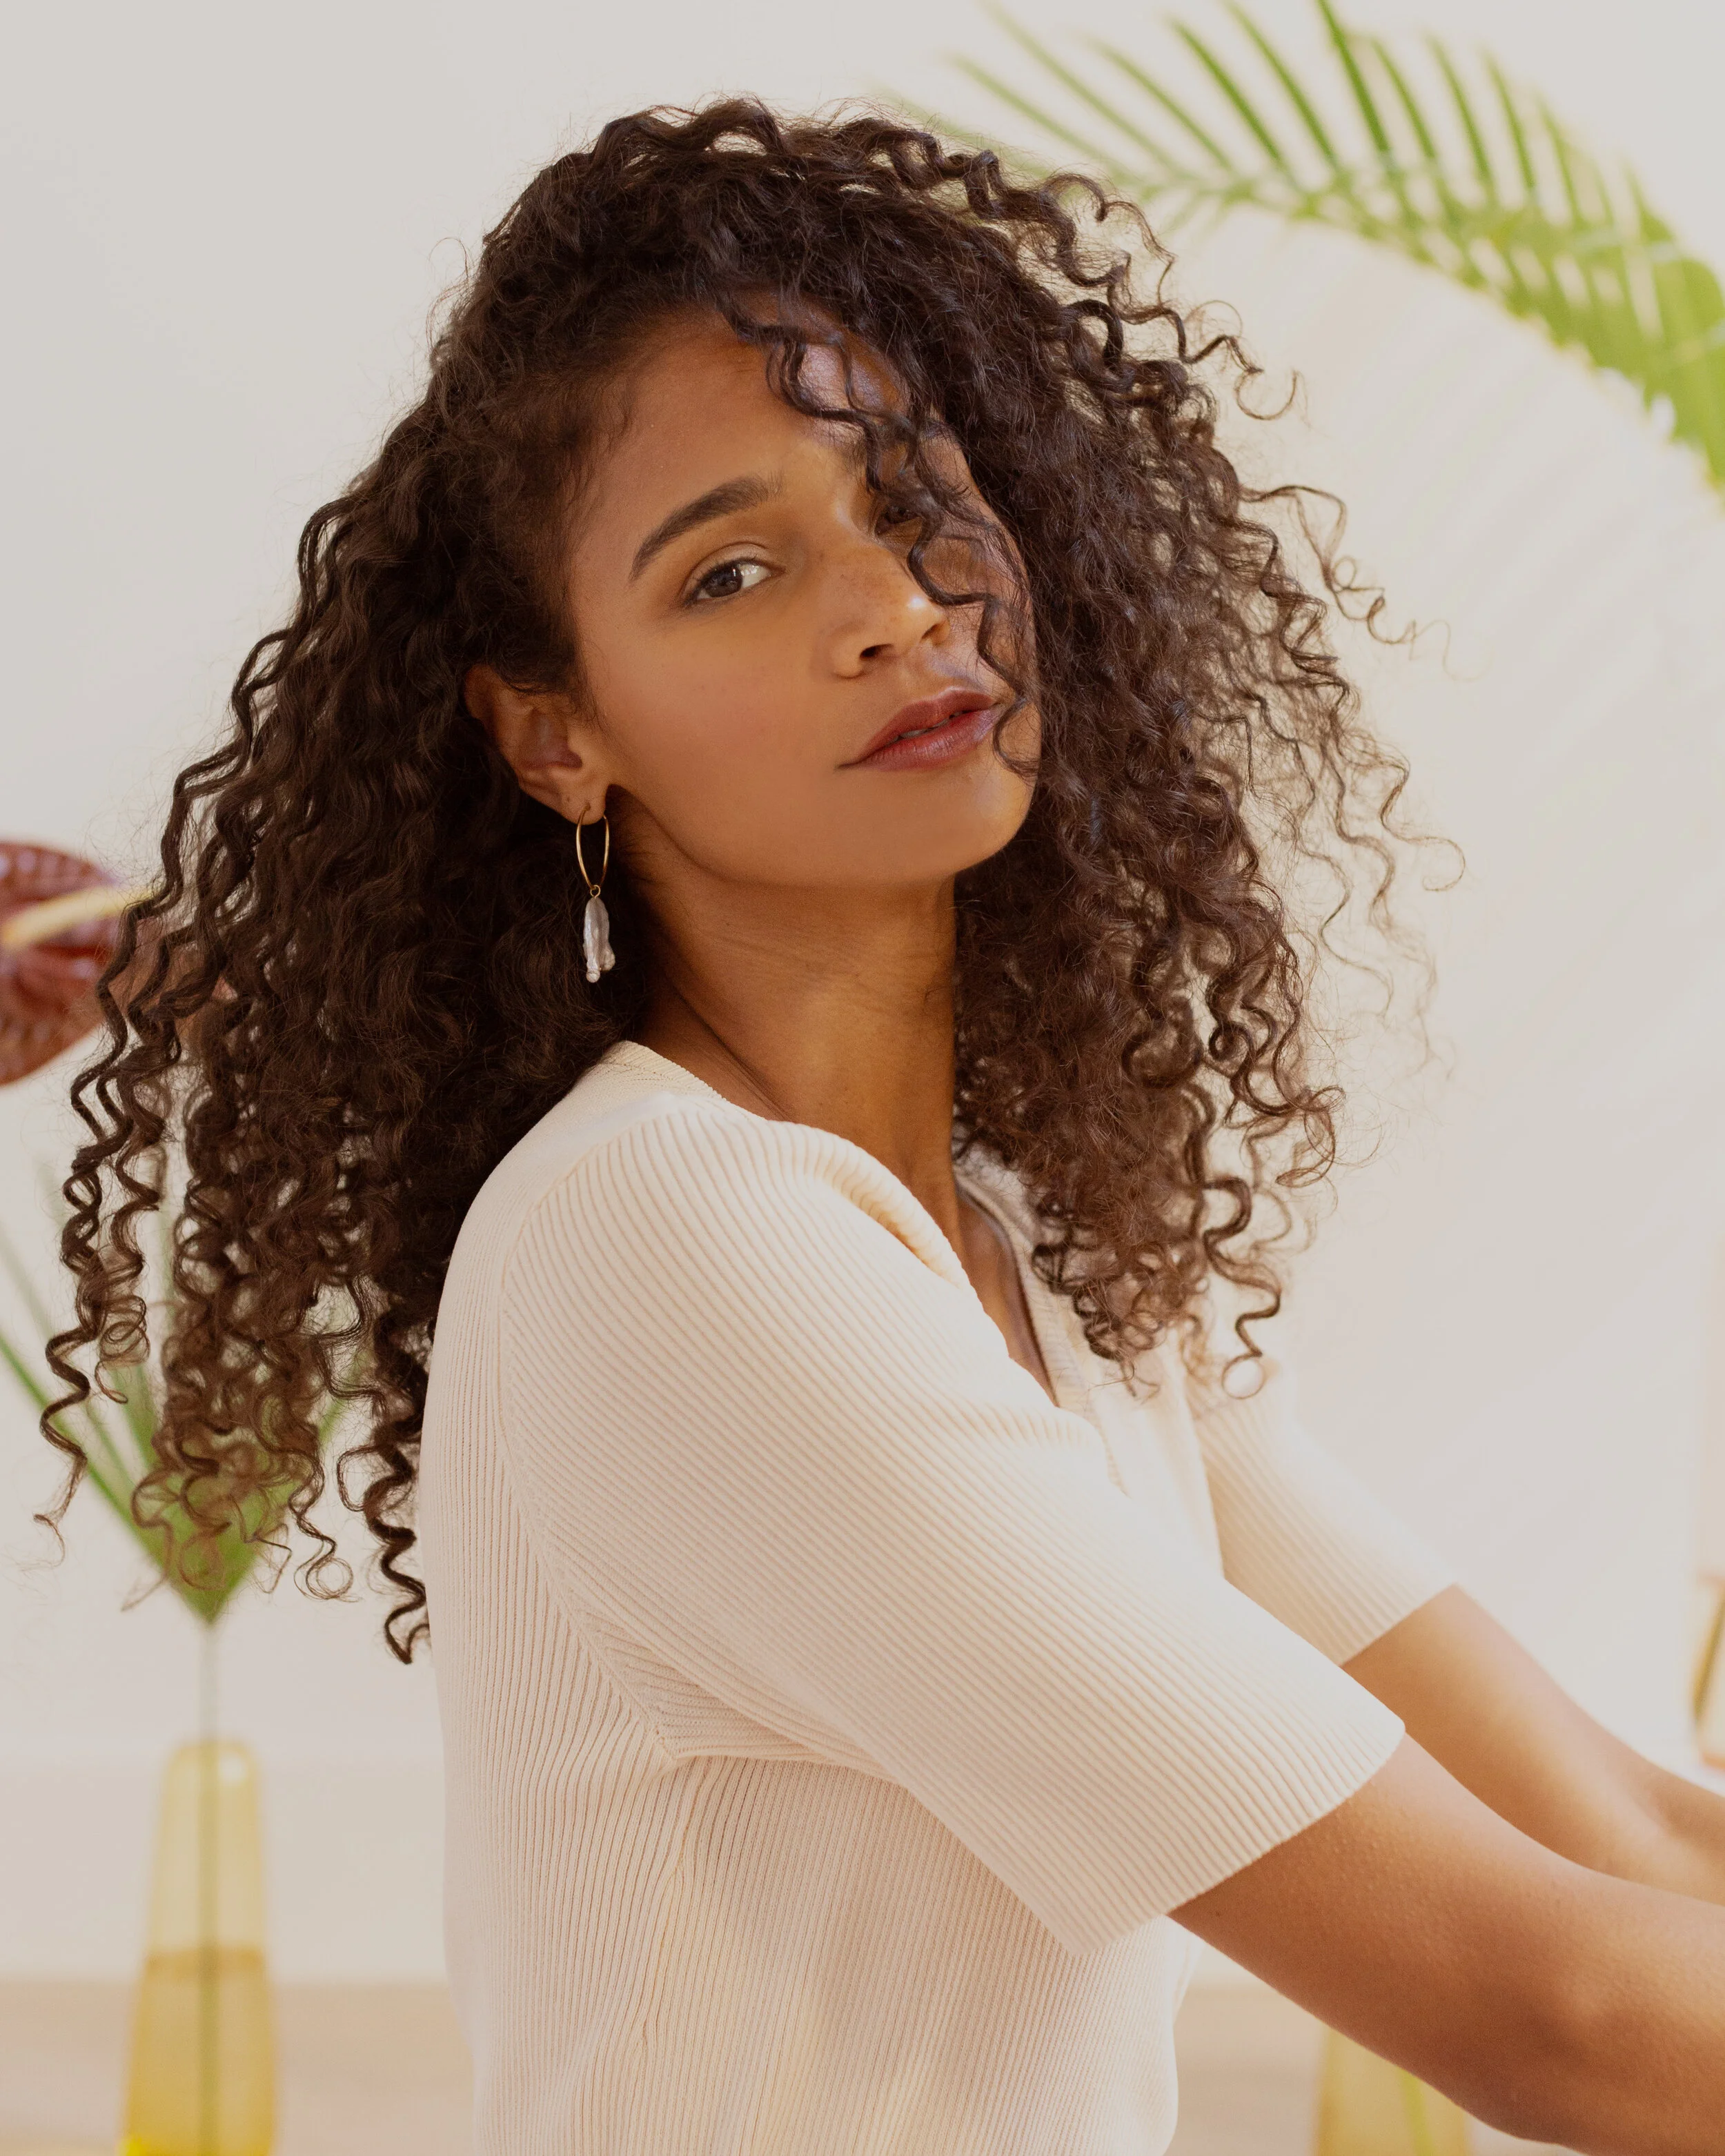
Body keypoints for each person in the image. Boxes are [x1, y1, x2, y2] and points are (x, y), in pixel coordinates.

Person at [39, 101, 1725, 2155]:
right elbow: (1554, 2009)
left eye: (917, 498)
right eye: (732, 569)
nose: (893, 605)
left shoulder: (1043, 1260)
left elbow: (1631, 1838)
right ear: (555, 732)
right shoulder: (671, 1245)